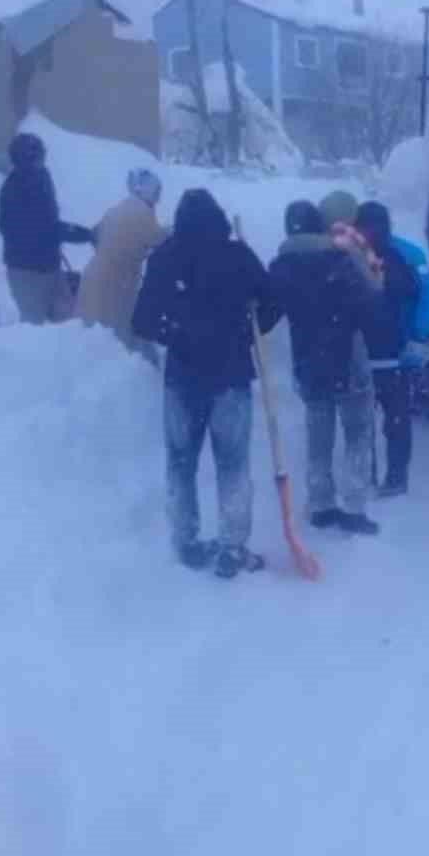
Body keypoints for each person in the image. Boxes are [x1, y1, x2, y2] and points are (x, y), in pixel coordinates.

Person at [132, 188, 280, 578]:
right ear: (217, 217)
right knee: (233, 464)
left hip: (182, 380)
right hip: (231, 376)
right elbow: (273, 301)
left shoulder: (165, 258)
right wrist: (248, 332)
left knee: (181, 465)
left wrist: (176, 334)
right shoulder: (237, 255)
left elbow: (142, 320)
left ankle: (186, 544)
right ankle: (233, 546)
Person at [269, 199, 380, 535]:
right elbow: (368, 307)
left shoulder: (280, 267)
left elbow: (265, 315)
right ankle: (354, 507)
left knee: (318, 436)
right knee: (357, 433)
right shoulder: (339, 259)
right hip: (348, 362)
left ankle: (320, 505)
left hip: (309, 364)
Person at [355, 200, 429, 496]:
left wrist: (418, 332)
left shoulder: (408, 253)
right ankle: (367, 475)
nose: (370, 232)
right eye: (365, 226)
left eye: (374, 226)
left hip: (397, 352)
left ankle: (395, 477)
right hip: (364, 353)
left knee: (395, 417)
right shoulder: (351, 254)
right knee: (366, 420)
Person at [0, 133, 93, 324]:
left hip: (51, 268)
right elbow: (44, 229)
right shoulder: (13, 191)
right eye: (38, 156)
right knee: (34, 331)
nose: (43, 160)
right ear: (25, 159)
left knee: (69, 323)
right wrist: (85, 234)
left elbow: (50, 221)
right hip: (26, 274)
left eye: (43, 155)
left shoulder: (42, 179)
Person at [77, 169, 168, 355]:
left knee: (95, 332)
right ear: (147, 190)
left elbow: (96, 236)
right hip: (114, 283)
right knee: (113, 338)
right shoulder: (141, 212)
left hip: (97, 276)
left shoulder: (118, 208)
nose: (158, 198)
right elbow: (158, 240)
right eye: (157, 192)